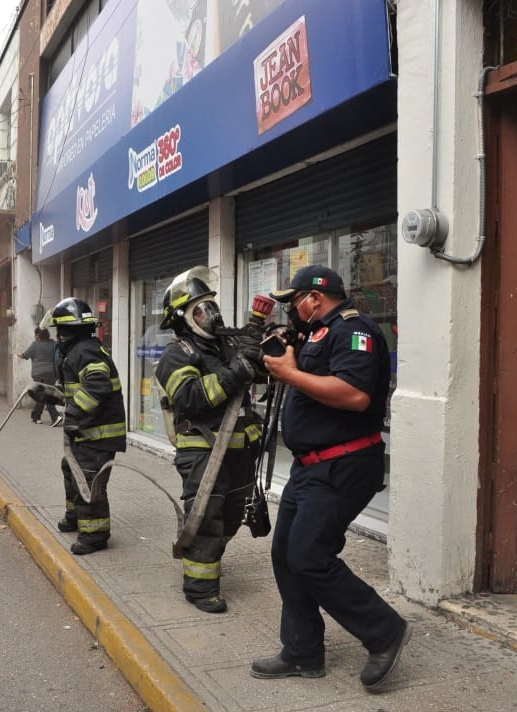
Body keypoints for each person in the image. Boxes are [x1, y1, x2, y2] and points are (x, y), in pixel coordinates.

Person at [250, 264, 408, 690]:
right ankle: (302, 651)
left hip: (344, 463)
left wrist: (291, 374)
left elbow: (355, 396)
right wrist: (286, 355)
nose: (292, 312)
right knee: (285, 554)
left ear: (315, 298)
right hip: (311, 465)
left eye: (294, 302)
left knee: (309, 556)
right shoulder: (317, 332)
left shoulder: (355, 331)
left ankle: (384, 630)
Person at [154, 267, 262, 614]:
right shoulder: (176, 355)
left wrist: (259, 349)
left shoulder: (228, 344)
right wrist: (238, 370)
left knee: (232, 517)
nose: (211, 315)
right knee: (206, 518)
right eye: (201, 310)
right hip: (202, 449)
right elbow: (191, 399)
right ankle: (200, 588)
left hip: (240, 448)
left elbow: (257, 373)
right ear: (184, 319)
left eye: (212, 307)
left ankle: (208, 557)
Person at [41, 298, 126, 555]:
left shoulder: (85, 350)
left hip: (98, 435)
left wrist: (74, 413)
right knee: (71, 469)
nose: (58, 336)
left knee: (90, 481)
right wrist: (48, 394)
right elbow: (77, 388)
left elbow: (97, 384)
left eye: (60, 331)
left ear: (69, 330)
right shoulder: (79, 350)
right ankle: (75, 517)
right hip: (87, 432)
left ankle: (95, 535)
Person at [20, 327, 62, 425]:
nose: (35, 336)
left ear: (38, 335)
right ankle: (36, 416)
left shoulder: (35, 345)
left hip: (39, 374)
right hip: (53, 373)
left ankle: (55, 417)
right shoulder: (54, 344)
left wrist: (19, 355)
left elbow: (25, 355)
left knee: (44, 395)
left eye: (35, 334)